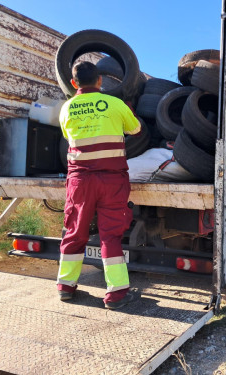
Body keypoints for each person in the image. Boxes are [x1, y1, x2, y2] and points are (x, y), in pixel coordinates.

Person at [56, 61, 140, 310]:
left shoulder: (66, 108)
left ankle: (66, 286)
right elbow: (135, 129)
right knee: (110, 235)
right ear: (100, 81)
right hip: (112, 181)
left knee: (74, 231)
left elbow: (67, 136)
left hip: (80, 180)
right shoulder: (115, 104)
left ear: (74, 84)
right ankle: (116, 295)